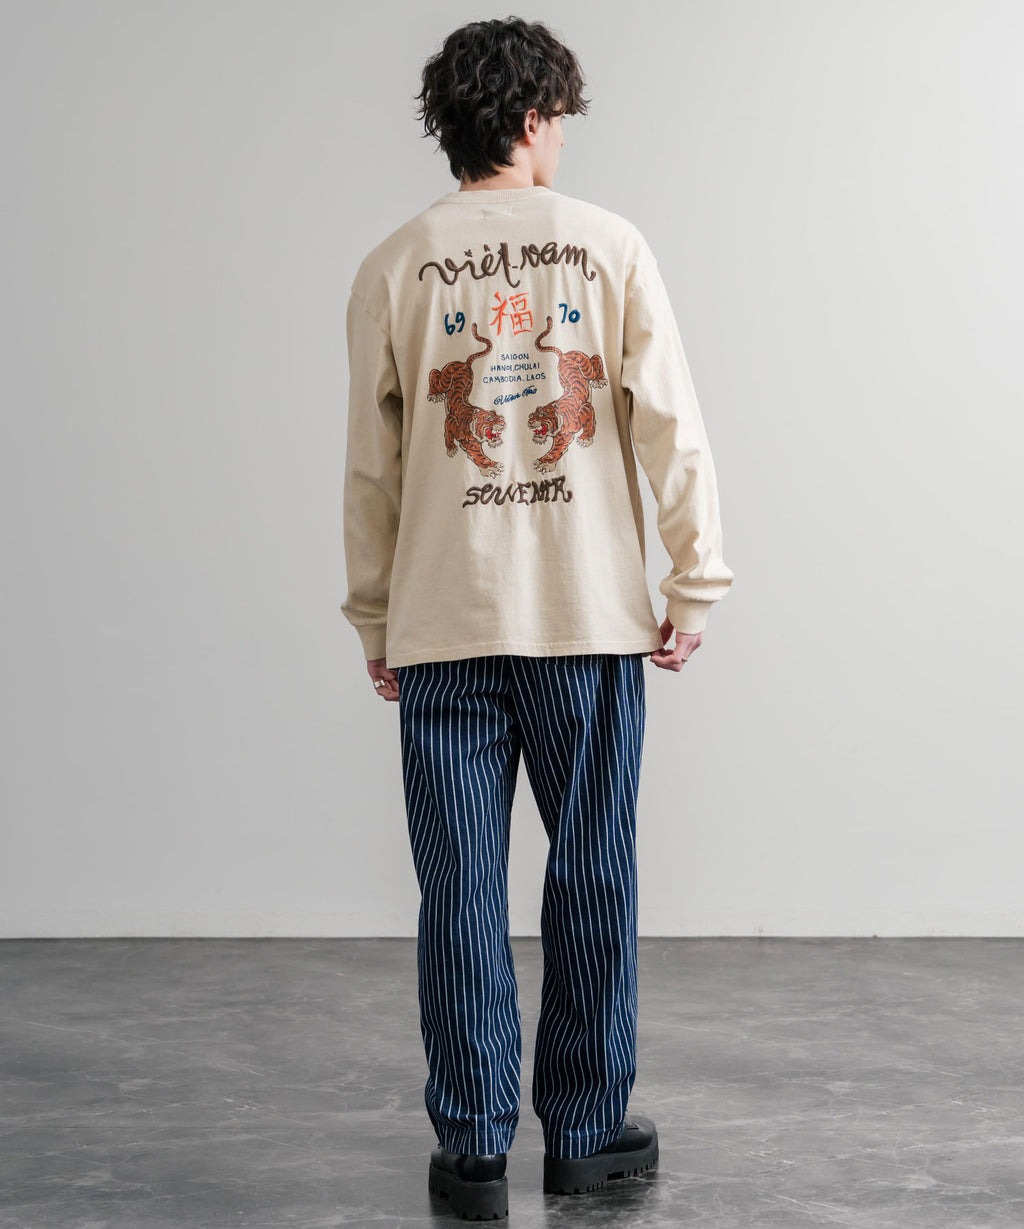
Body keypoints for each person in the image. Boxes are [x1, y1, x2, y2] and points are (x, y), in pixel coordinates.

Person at [341, 16, 734, 1220]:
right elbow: (669, 427)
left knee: (458, 887)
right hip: (586, 618)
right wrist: (693, 579)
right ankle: (585, 1130)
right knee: (592, 871)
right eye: (557, 117)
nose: (560, 136)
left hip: (443, 621)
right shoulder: (608, 245)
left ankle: (470, 1151)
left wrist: (374, 616)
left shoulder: (395, 264)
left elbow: (372, 468)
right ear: (529, 118)